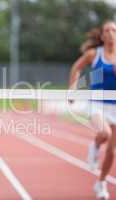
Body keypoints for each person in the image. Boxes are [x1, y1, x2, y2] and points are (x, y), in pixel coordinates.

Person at [69, 21, 116, 200]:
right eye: (107, 30)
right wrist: (73, 88)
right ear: (102, 36)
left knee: (112, 151)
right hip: (98, 103)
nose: (111, 33)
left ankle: (101, 183)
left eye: (114, 30)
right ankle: (95, 145)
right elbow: (77, 68)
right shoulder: (94, 54)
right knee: (105, 133)